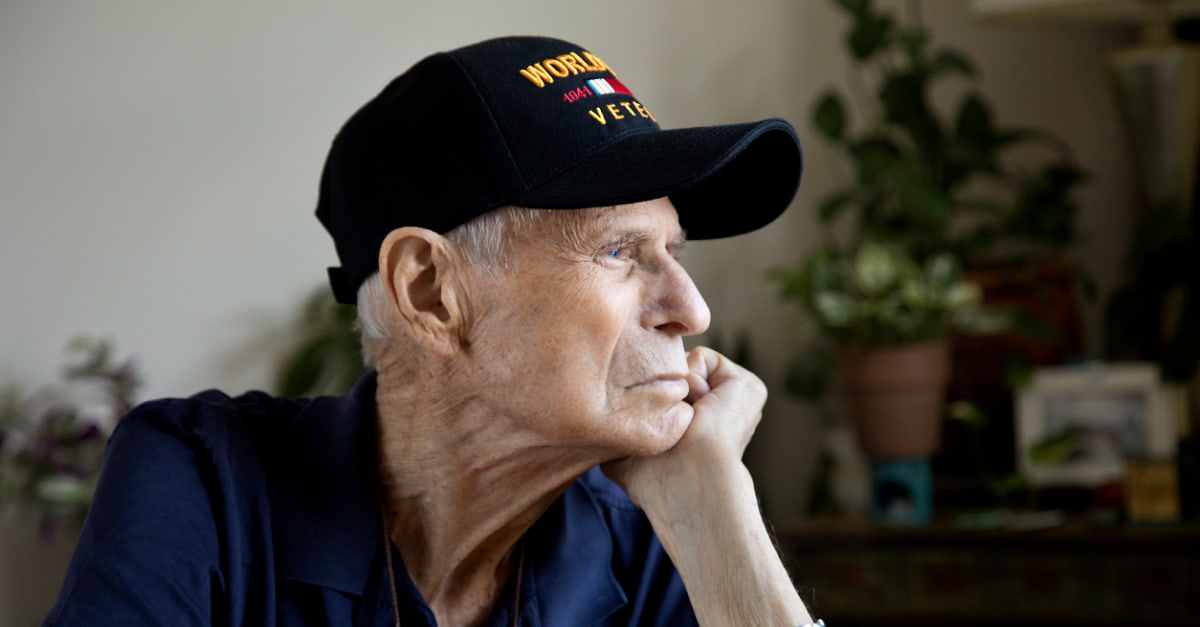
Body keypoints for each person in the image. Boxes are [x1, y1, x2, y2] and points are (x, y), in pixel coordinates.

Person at [44, 35, 820, 626]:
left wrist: (719, 516)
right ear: (431, 291)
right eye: (619, 250)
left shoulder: (650, 536)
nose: (692, 310)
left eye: (672, 252)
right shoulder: (201, 483)